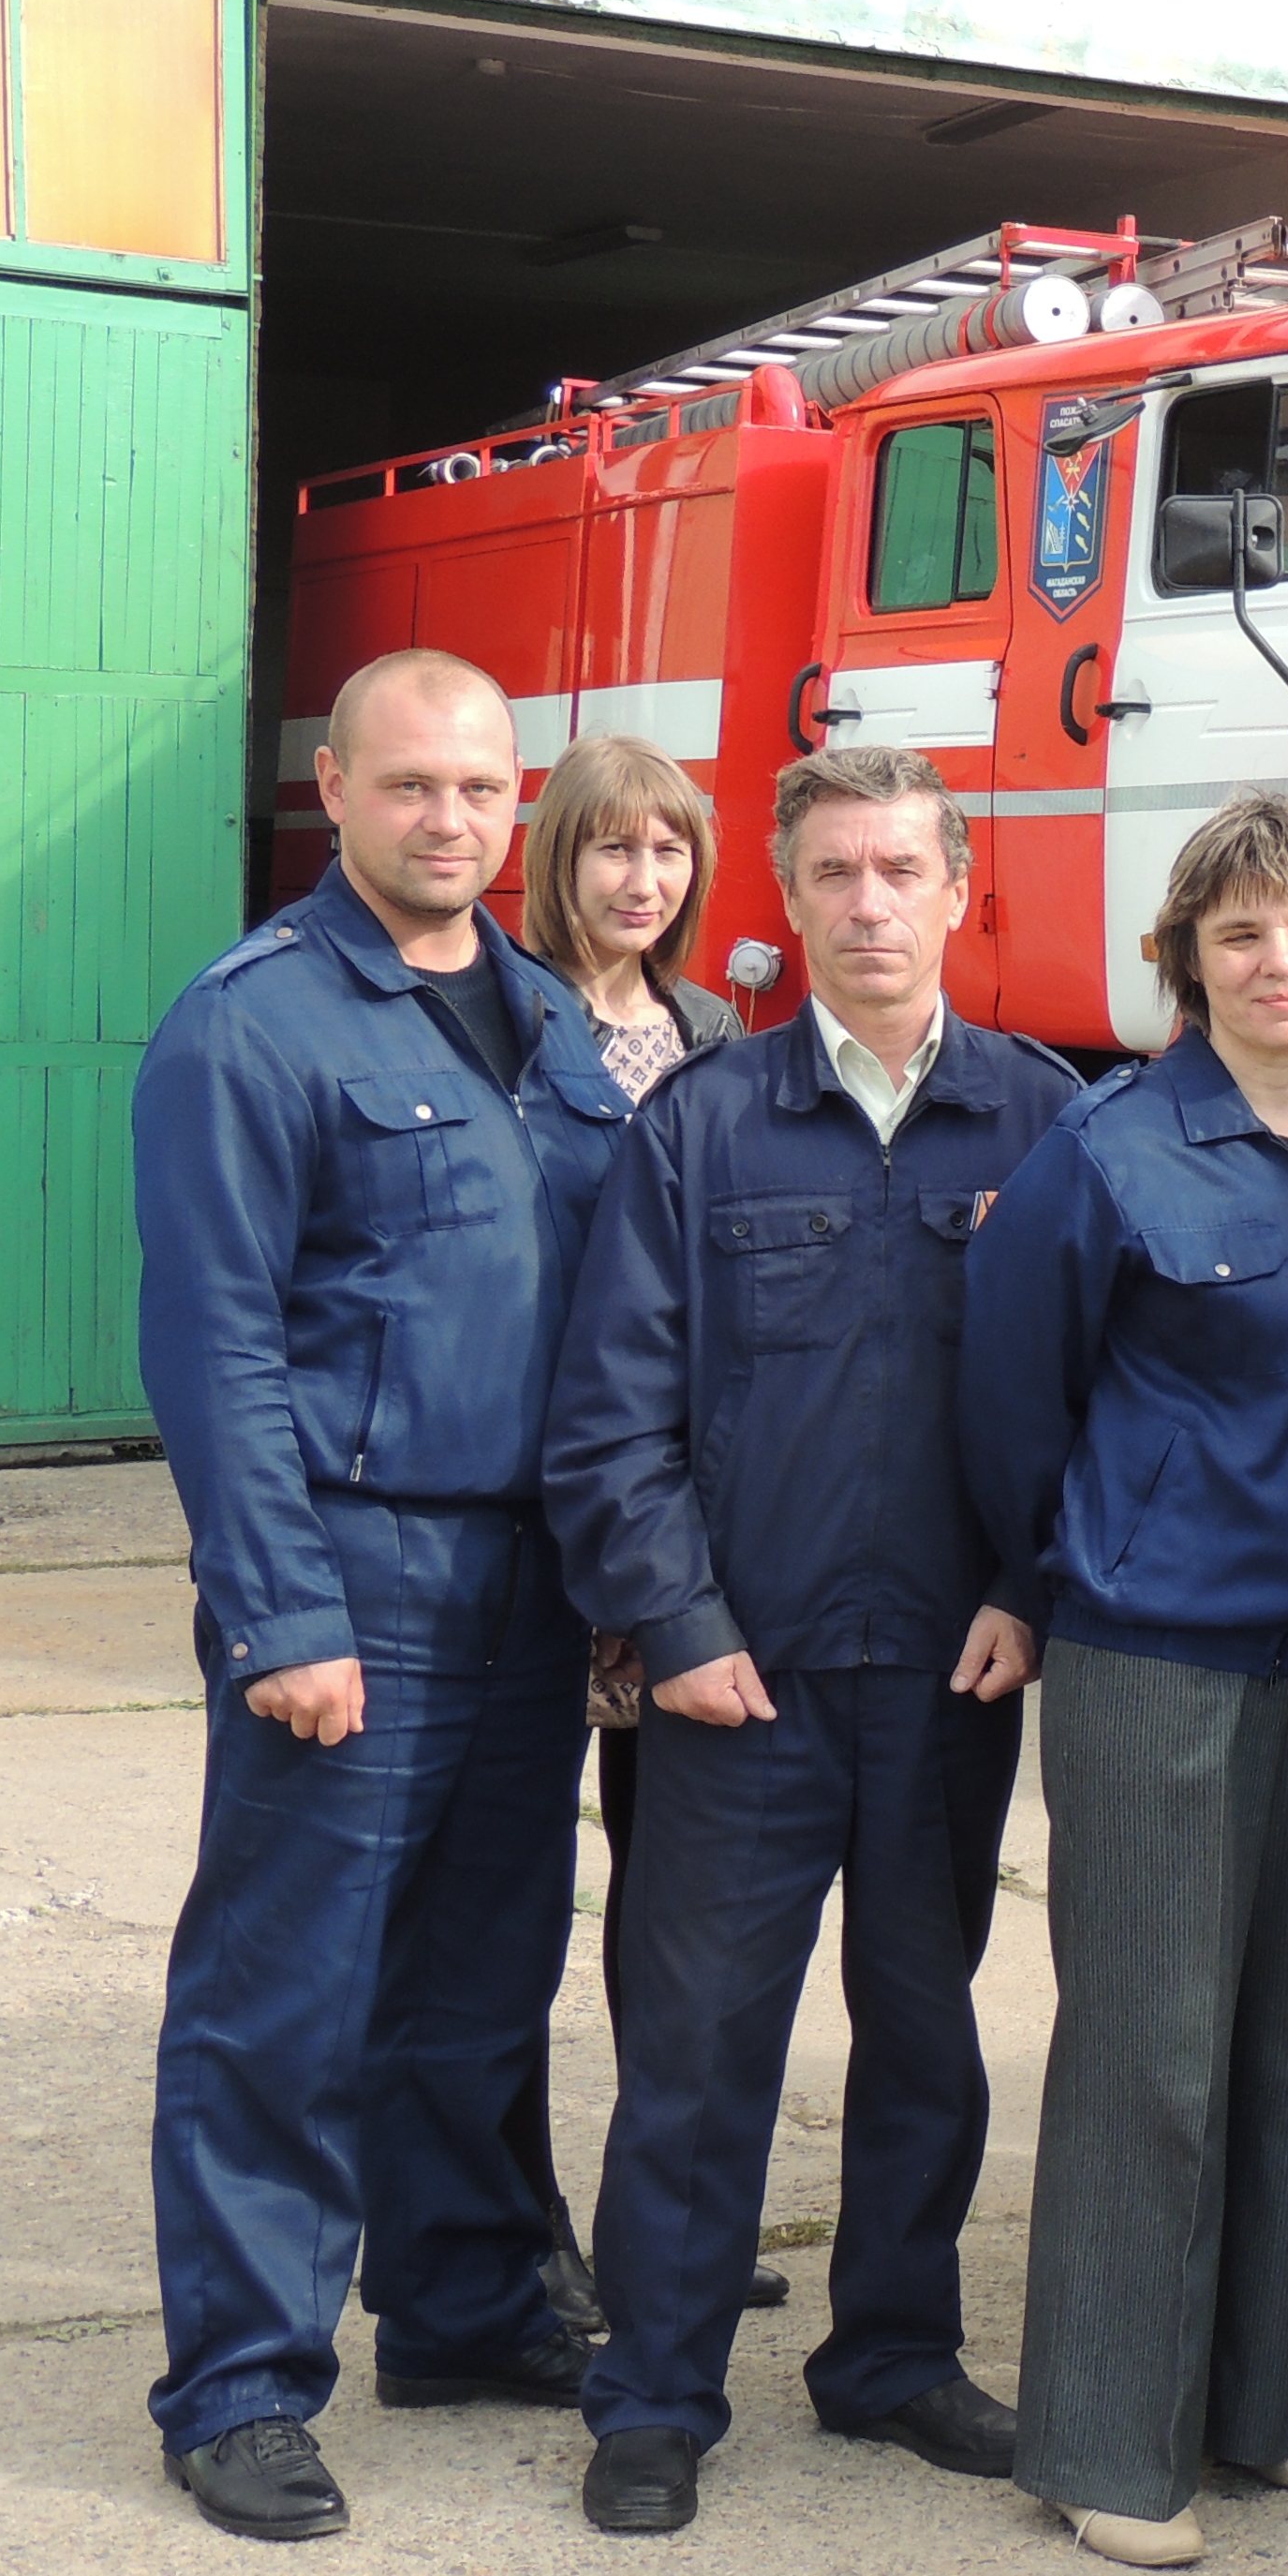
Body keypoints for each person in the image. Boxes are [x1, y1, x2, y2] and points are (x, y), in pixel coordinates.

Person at [540, 748, 1084, 2536]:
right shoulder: (697, 1124)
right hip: (738, 1687)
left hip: (948, 1673)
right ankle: (656, 2391)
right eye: (832, 873)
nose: (866, 905)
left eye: (897, 871)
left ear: (955, 891)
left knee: (926, 2039)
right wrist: (675, 1629)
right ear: (785, 898)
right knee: (699, 2052)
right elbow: (608, 1416)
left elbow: (1102, 1394)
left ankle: (892, 2360)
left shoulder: (1042, 1122)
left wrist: (1032, 1585)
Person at [133, 648, 638, 2539]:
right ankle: (244, 2382)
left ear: (522, 808)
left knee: (475, 1982)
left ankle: (458, 2301)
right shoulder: (253, 1025)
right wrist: (282, 1616)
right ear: (331, 788)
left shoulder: (544, 1021)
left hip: (521, 1580)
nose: (450, 821)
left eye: (482, 790)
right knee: (288, 1993)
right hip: (355, 1571)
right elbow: (214, 1343)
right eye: (411, 785)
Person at [960, 795, 1288, 2569]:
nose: (1282, 960)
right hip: (1156, 1647)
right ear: (1186, 960)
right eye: (1241, 934)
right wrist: (1042, 1575)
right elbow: (1015, 1396)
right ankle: (1102, 2436)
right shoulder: (1112, 1151)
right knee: (1151, 2056)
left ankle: (1255, 2398)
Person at [505, 729, 746, 2339]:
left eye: (665, 852)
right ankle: (515, 2236)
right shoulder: (504, 1024)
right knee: (511, 1910)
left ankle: (664, 2214)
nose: (638, 880)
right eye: (610, 850)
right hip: (542, 1508)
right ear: (558, 864)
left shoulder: (719, 1035)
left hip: (682, 1523)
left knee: (676, 1899)